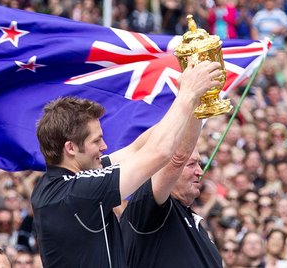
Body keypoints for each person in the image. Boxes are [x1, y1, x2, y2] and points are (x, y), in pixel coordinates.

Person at [30, 59, 222, 267]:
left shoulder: (65, 181)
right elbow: (159, 152)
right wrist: (187, 95)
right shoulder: (74, 192)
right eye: (96, 140)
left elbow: (136, 148)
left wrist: (191, 103)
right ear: (70, 148)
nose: (104, 146)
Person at [120, 149, 222, 267]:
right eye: (191, 164)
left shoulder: (195, 222)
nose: (200, 172)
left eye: (199, 164)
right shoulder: (152, 210)